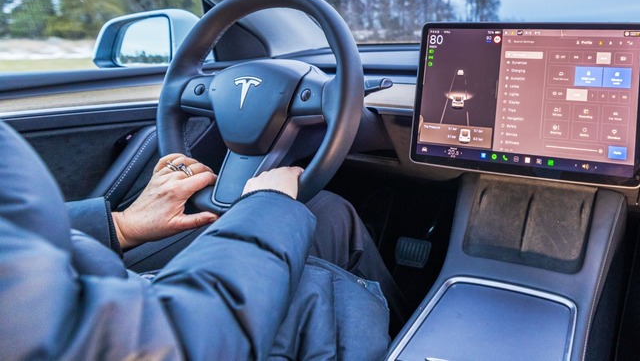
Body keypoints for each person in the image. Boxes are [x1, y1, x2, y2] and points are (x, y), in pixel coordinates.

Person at [0, 120, 392, 360]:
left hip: (103, 299)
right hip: (173, 337)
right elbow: (170, 343)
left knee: (325, 211)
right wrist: (269, 206)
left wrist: (120, 226)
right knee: (326, 224)